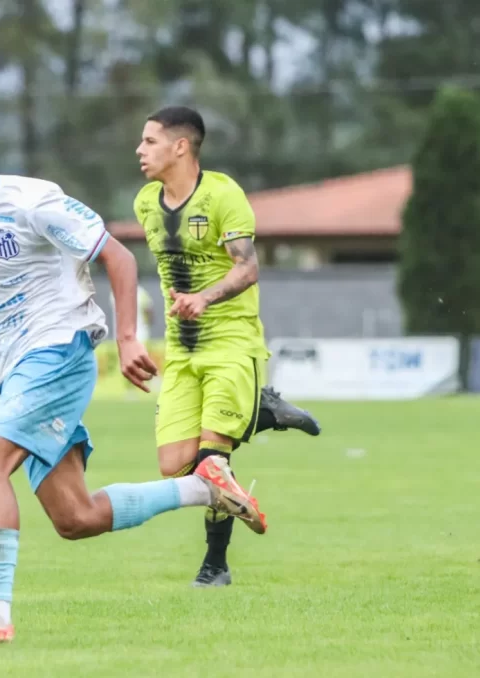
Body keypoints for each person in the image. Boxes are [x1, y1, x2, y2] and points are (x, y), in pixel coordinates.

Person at [0, 103, 269, 644]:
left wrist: (125, 339)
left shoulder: (32, 202)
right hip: (16, 369)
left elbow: (116, 257)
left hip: (58, 350)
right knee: (76, 517)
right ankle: (205, 490)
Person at [132, 105, 321, 588]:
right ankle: (262, 412)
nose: (140, 150)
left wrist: (205, 297)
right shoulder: (146, 203)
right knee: (175, 465)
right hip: (182, 351)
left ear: (181, 147)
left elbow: (247, 268)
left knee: (214, 461)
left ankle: (214, 566)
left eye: (149, 141)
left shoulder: (223, 195)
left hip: (232, 343)